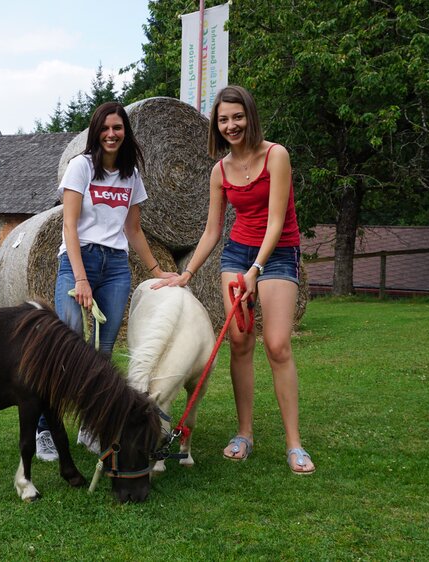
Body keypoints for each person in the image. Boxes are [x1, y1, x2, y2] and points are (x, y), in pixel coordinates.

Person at [153, 85, 315, 474]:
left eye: (237, 117)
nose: (231, 125)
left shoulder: (276, 156)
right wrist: (187, 273)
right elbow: (211, 231)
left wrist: (256, 271)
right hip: (237, 253)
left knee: (277, 345)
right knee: (239, 341)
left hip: (277, 254)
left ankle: (294, 443)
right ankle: (244, 433)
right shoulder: (219, 170)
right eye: (223, 119)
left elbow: (276, 222)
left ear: (250, 116)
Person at [35, 101, 177, 461]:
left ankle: (90, 425)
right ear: (96, 132)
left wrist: (157, 270)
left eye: (118, 128)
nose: (112, 134)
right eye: (105, 128)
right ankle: (44, 428)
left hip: (115, 266)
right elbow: (68, 225)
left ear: (125, 131)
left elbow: (133, 229)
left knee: (102, 353)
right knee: (64, 348)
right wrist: (80, 278)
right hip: (77, 261)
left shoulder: (130, 176)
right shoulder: (81, 167)